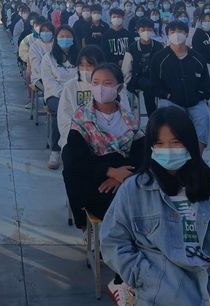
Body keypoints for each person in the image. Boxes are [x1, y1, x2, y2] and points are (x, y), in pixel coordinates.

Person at [101, 106, 210, 306]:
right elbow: (113, 242)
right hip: (164, 296)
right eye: (159, 144)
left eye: (175, 142)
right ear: (151, 148)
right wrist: (146, 278)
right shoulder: (134, 191)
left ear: (189, 143)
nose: (168, 150)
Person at [62, 63, 145, 305]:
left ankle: (127, 277)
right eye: (96, 83)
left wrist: (122, 177)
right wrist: (109, 171)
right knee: (121, 216)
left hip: (124, 181)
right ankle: (123, 278)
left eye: (107, 84)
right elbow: (76, 161)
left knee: (137, 210)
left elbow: (141, 156)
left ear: (119, 88)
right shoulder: (82, 117)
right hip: (94, 183)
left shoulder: (129, 119)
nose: (100, 88)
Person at [150, 21, 210, 152]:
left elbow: (205, 84)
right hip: (171, 101)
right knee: (169, 120)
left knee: (204, 116)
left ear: (187, 34)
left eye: (180, 31)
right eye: (172, 32)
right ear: (167, 35)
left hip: (195, 101)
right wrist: (167, 95)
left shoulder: (198, 58)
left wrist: (198, 96)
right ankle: (175, 153)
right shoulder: (159, 58)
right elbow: (154, 84)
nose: (176, 35)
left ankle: (197, 156)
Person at [40, 26, 79, 169]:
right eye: (62, 37)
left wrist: (72, 94)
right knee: (61, 111)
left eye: (68, 36)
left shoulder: (80, 57)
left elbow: (82, 78)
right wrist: (65, 95)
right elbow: (49, 82)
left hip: (77, 93)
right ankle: (56, 150)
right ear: (56, 39)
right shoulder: (48, 58)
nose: (65, 39)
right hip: (55, 95)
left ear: (73, 39)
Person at [121, 18, 163, 117]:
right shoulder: (132, 47)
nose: (146, 32)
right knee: (148, 87)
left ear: (152, 30)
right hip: (138, 78)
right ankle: (153, 116)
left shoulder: (158, 46)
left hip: (154, 77)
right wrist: (127, 83)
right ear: (138, 31)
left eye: (149, 29)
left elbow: (163, 65)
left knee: (150, 87)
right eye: (143, 30)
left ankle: (154, 116)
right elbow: (126, 67)